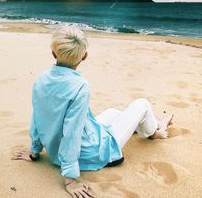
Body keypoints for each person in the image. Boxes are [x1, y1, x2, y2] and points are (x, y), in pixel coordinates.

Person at [12, 25, 173, 198]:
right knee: (142, 103)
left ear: (53, 53)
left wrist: (34, 150)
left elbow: (38, 116)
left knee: (113, 112)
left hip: (62, 150)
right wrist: (70, 179)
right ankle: (155, 133)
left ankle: (151, 126)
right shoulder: (80, 86)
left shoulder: (41, 79)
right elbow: (71, 132)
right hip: (97, 153)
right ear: (84, 56)